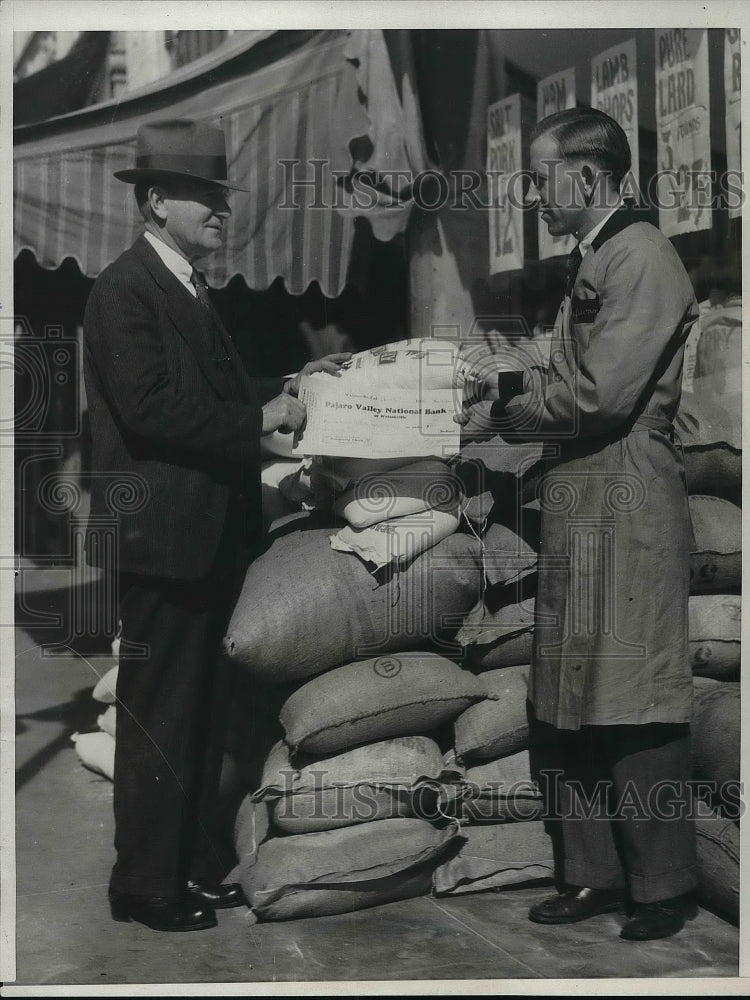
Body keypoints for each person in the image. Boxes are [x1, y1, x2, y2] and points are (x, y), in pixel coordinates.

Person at [83, 118, 349, 932]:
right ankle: (146, 887)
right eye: (203, 198)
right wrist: (257, 417)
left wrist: (298, 378)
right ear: (157, 202)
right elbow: (154, 406)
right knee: (161, 713)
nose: (220, 214)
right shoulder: (126, 290)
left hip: (200, 537)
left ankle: (189, 869)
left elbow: (223, 389)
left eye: (222, 199)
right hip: (163, 541)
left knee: (198, 716)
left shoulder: (190, 288)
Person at [463, 107, 700, 941]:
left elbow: (599, 397)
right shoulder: (600, 255)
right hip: (582, 490)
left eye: (540, 179)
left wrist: (505, 408)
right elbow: (573, 375)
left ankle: (663, 885)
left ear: (589, 178)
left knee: (632, 693)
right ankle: (594, 874)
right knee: (569, 690)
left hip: (627, 488)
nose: (533, 195)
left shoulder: (641, 258)